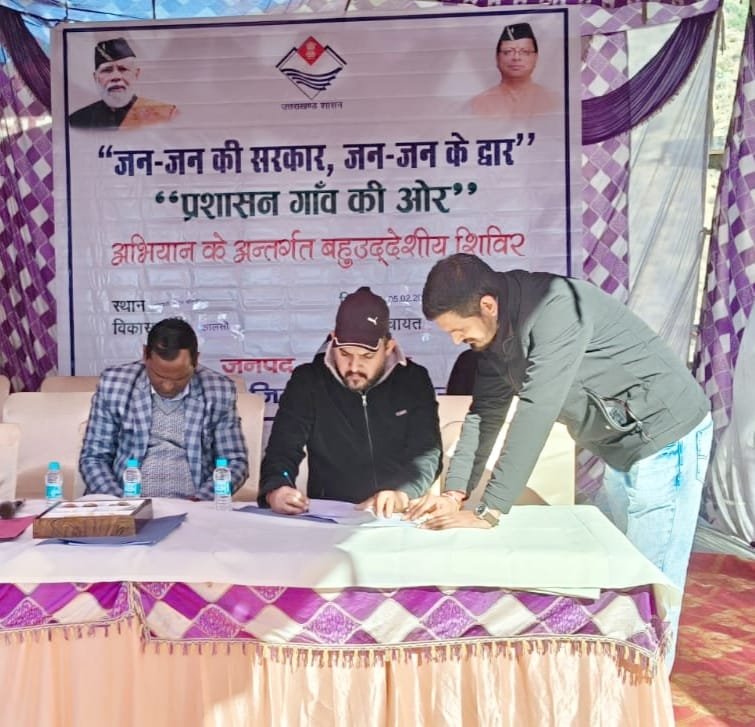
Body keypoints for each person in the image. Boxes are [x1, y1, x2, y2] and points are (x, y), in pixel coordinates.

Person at [413, 253, 712, 665]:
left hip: (666, 436)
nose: (454, 340)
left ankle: (648, 687)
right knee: (619, 573)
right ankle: (623, 679)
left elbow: (536, 409)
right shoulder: (497, 337)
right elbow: (484, 414)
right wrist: (454, 493)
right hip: (622, 445)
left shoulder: (556, 309)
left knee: (648, 585)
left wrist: (490, 510)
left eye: (458, 330)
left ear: (487, 305)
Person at [259, 286, 442, 517]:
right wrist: (277, 487)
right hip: (328, 516)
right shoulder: (308, 381)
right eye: (345, 354)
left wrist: (403, 492)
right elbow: (282, 448)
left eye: (366, 356)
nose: (354, 367)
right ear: (333, 340)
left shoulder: (413, 380)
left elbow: (427, 453)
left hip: (397, 513)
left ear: (388, 348)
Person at [79, 318, 248, 499]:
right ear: (145, 355)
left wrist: (202, 500)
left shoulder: (219, 390)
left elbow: (235, 462)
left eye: (179, 378)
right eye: (159, 375)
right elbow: (94, 458)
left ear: (196, 360)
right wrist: (120, 504)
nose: (168, 386)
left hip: (195, 505)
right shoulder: (115, 384)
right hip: (125, 501)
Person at [68, 37, 178, 130]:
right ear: (95, 78)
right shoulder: (77, 120)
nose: (116, 77)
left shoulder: (166, 114)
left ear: (136, 74)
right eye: (107, 70)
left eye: (123, 69)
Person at [470, 22, 560, 119]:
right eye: (508, 52)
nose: (516, 58)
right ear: (497, 58)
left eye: (525, 52)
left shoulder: (553, 100)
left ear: (536, 58)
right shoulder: (478, 103)